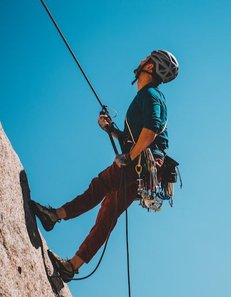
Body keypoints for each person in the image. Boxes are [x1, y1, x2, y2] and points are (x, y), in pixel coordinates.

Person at [30, 50, 179, 283]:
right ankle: (72, 266)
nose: (141, 60)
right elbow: (139, 136)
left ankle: (54, 216)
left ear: (150, 67)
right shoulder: (147, 95)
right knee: (108, 212)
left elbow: (150, 132)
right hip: (148, 168)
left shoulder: (150, 94)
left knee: (99, 186)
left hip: (141, 162)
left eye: (146, 59)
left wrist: (129, 157)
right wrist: (111, 130)